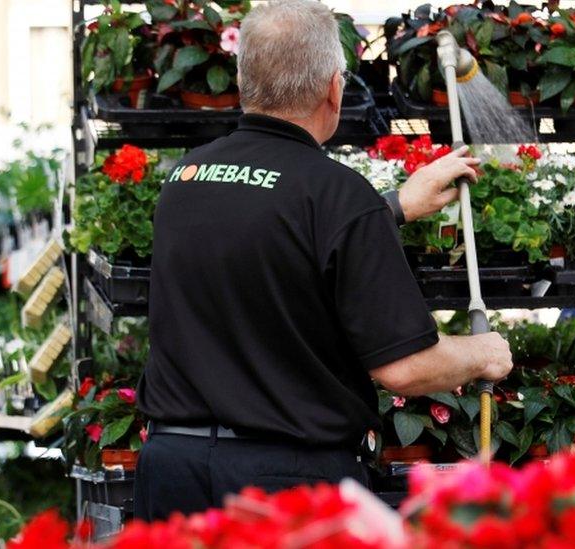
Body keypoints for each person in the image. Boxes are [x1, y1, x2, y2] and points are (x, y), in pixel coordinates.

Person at [133, 0, 513, 521]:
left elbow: (266, 232)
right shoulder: (337, 196)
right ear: (333, 88)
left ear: (245, 81)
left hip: (171, 473)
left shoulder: (186, 179)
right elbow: (404, 368)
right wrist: (483, 354)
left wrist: (394, 208)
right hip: (285, 485)